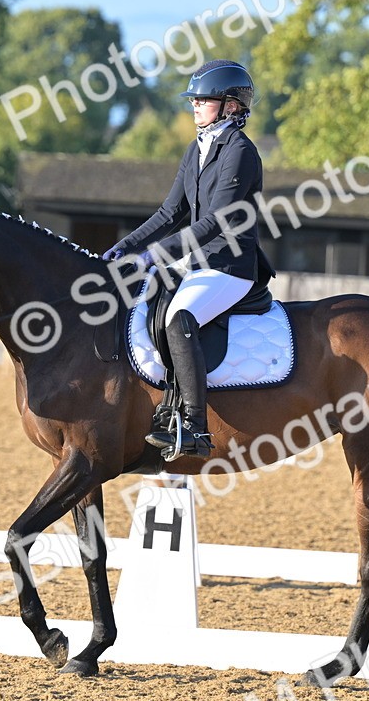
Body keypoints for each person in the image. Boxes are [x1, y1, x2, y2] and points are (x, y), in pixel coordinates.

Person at [102, 59, 274, 456]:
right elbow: (170, 213)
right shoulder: (196, 148)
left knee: (182, 318)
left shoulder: (240, 152)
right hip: (196, 263)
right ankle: (162, 410)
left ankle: (194, 425)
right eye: (194, 99)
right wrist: (126, 246)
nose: (195, 105)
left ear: (231, 106)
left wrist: (156, 254)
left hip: (229, 267)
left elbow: (215, 221)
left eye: (204, 99)